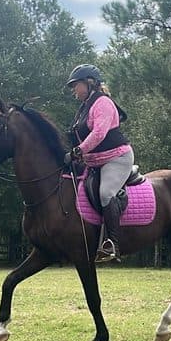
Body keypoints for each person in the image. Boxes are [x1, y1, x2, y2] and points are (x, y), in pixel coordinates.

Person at [64, 64, 133, 262]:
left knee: (106, 193)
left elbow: (99, 133)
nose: (74, 90)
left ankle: (112, 244)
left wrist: (78, 151)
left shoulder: (102, 103)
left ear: (90, 83)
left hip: (116, 158)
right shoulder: (84, 107)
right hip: (94, 162)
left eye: (76, 85)